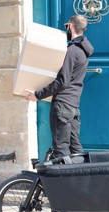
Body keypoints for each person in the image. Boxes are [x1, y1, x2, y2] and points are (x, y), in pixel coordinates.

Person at [26, 15, 94, 159]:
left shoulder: (72, 51)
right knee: (76, 149)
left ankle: (63, 182)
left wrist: (37, 95)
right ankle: (82, 178)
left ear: (70, 26)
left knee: (61, 149)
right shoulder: (84, 51)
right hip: (73, 106)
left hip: (63, 106)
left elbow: (62, 81)